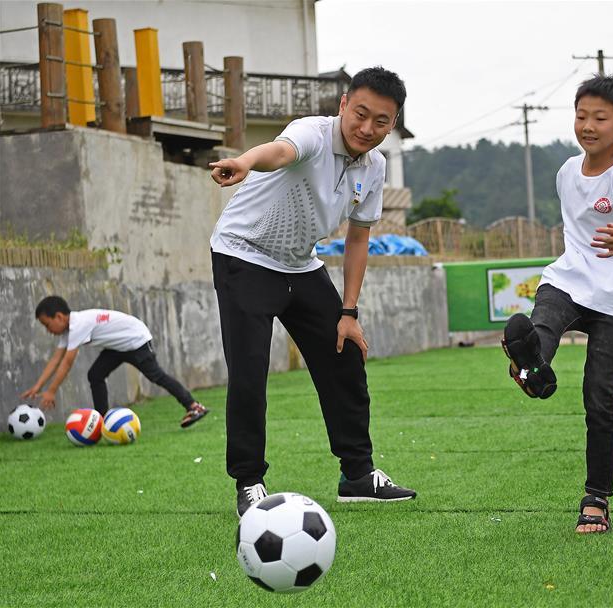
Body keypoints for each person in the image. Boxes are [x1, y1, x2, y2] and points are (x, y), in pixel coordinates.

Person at [207, 66, 416, 516]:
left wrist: (349, 312)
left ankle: (357, 474)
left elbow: (358, 238)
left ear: (393, 124)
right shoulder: (312, 134)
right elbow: (281, 152)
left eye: (381, 121)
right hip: (243, 254)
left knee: (344, 355)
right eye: (360, 114)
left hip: (300, 264)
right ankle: (249, 480)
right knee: (249, 370)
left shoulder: (375, 167)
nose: (367, 128)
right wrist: (245, 162)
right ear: (343, 105)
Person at [501, 74, 613, 534]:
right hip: (571, 275)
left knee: (600, 399)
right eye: (581, 115)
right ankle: (534, 368)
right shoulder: (567, 171)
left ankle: (596, 498)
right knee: (542, 322)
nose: (587, 126)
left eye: (600, 118)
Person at [22, 295, 208, 427]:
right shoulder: (69, 330)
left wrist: (51, 391)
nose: (48, 330)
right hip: (118, 347)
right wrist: (39, 387)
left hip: (136, 341)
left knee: (156, 376)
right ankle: (101, 423)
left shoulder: (79, 325)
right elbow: (56, 359)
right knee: (95, 375)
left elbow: (66, 363)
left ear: (59, 317)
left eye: (47, 325)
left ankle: (194, 406)